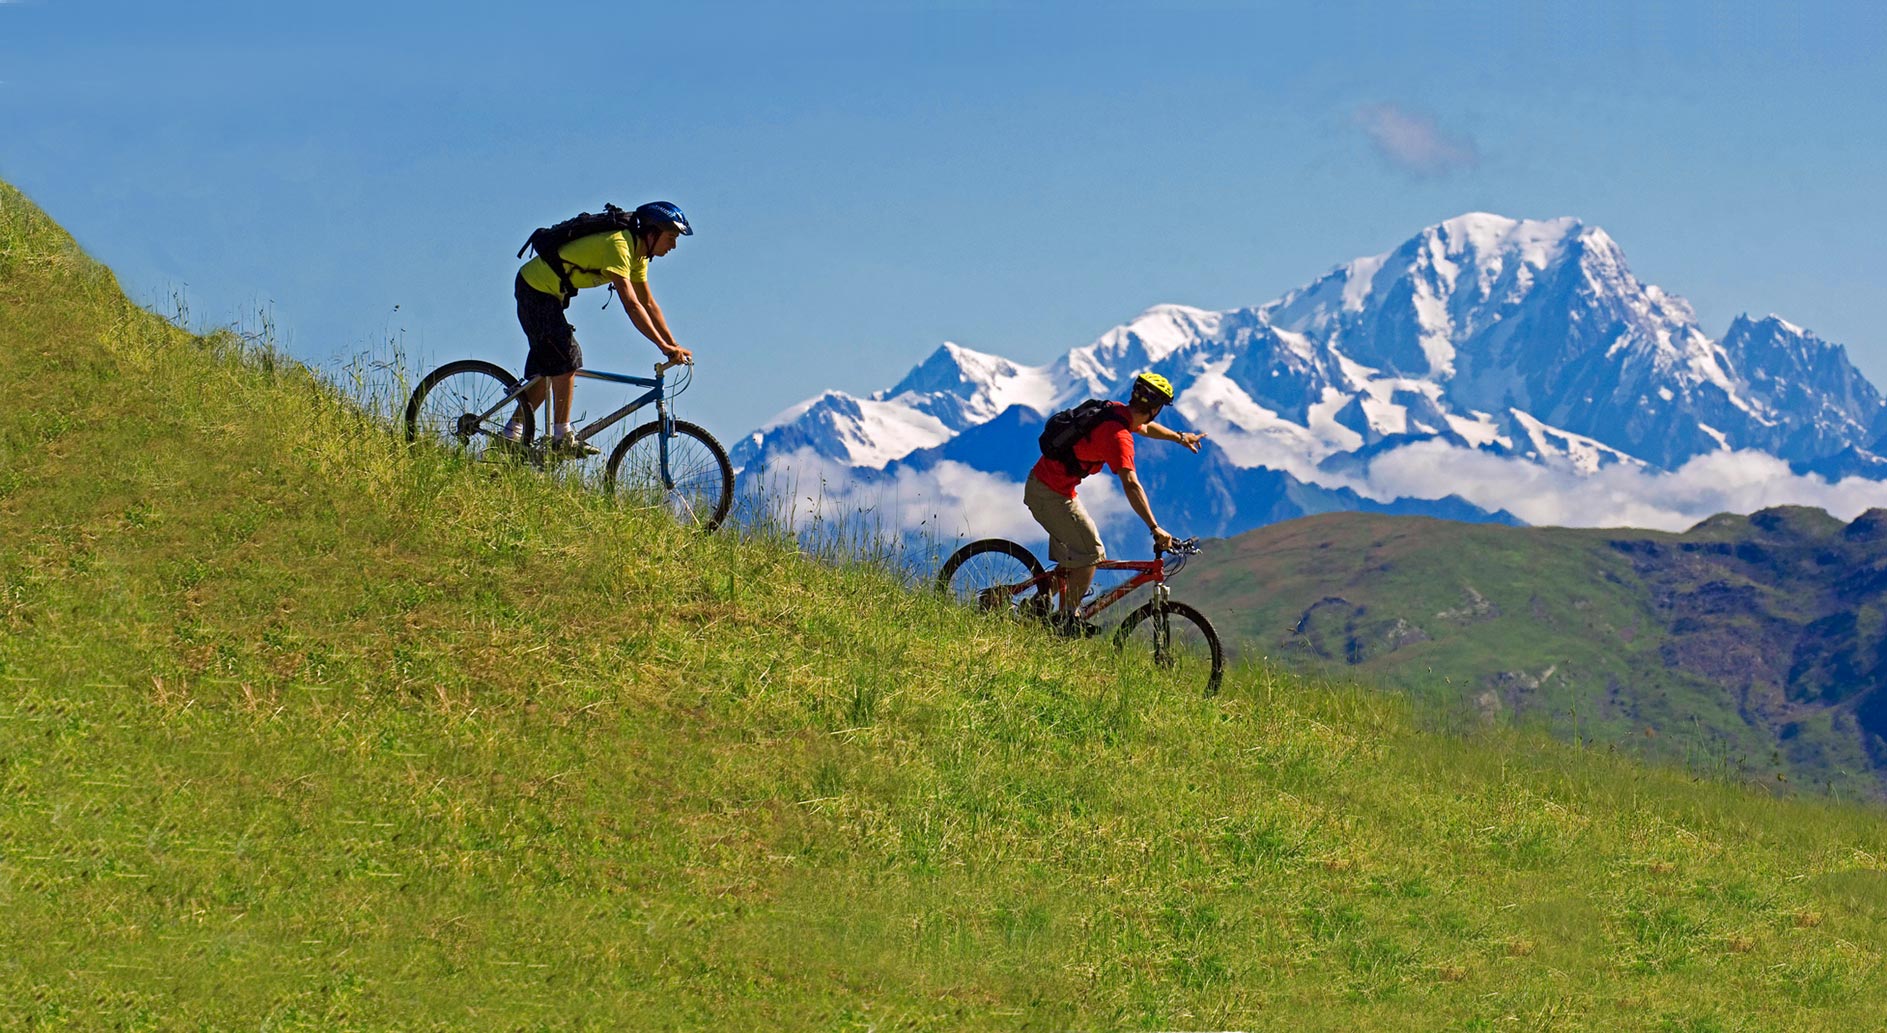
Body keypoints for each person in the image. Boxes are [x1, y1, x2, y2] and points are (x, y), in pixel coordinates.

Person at [505, 201, 695, 455]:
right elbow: (631, 304)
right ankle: (562, 437)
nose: (673, 245)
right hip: (535, 289)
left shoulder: (638, 255)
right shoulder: (619, 246)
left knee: (550, 368)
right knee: (568, 357)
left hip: (549, 295)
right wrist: (662, 346)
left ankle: (507, 438)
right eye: (670, 237)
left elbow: (648, 303)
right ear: (652, 233)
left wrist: (673, 344)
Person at [1024, 372, 1206, 635]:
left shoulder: (1117, 412)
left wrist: (1179, 437)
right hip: (1049, 495)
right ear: (1155, 409)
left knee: (1076, 560)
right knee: (1091, 555)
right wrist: (1155, 528)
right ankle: (1065, 622)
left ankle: (1035, 606)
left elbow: (1143, 427)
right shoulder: (1119, 437)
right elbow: (1131, 484)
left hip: (1049, 488)